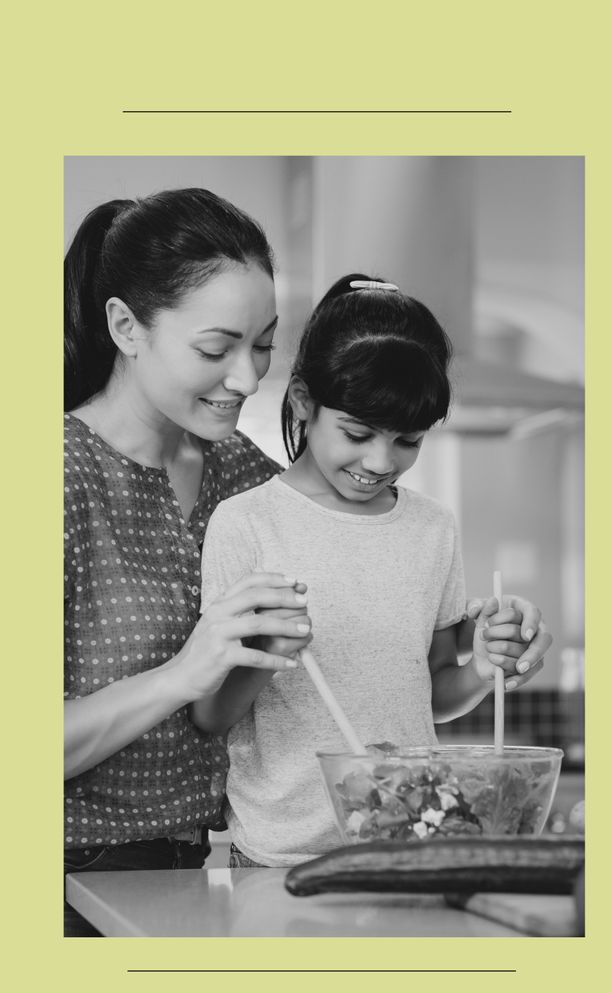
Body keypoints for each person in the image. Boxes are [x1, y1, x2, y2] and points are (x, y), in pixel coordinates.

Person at [193, 274, 553, 867]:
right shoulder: (246, 524)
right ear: (303, 400)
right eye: (357, 434)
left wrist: (483, 669)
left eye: (407, 440)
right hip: (282, 857)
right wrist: (269, 652)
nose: (380, 461)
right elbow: (209, 716)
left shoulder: (432, 528)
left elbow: (431, 692)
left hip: (405, 845)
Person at [63, 188, 321, 934]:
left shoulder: (241, 469)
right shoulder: (57, 474)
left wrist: (467, 648)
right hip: (67, 883)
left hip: (195, 872)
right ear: (126, 327)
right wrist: (183, 673)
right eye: (216, 349)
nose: (246, 378)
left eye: (263, 345)